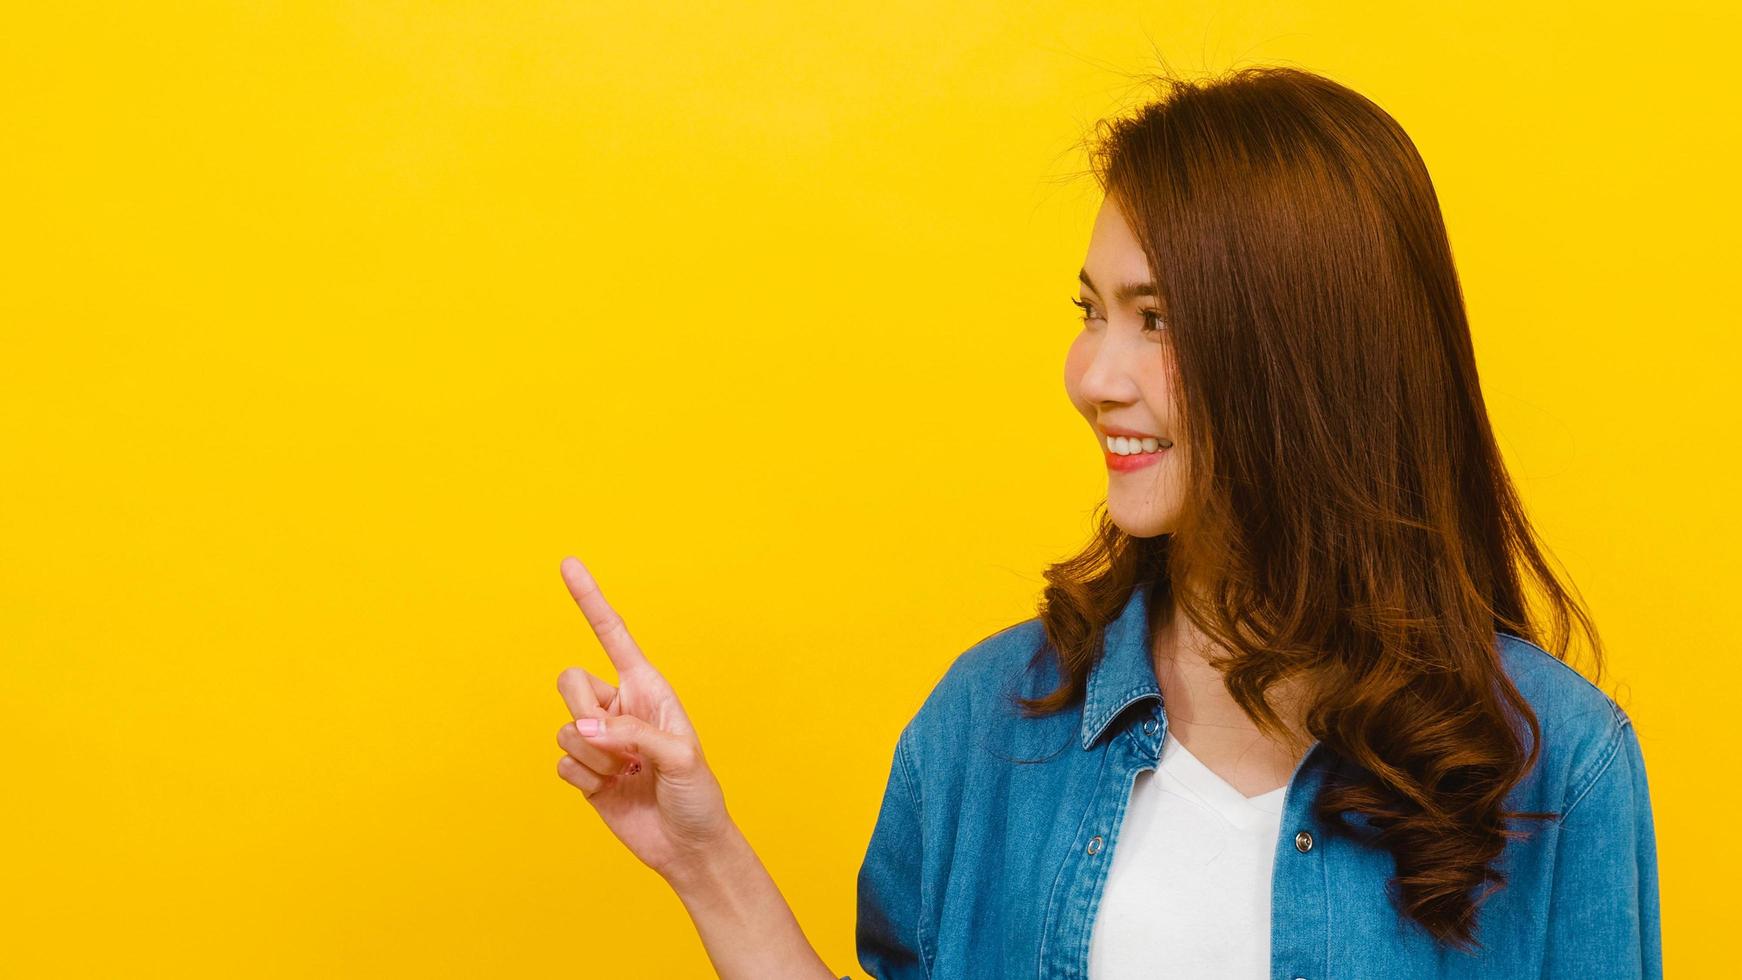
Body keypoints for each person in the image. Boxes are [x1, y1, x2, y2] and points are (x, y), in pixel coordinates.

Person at [552, 64, 1662, 979]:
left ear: (1307, 354)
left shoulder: (1555, 770)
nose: (1091, 376)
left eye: (1156, 319)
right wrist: (702, 853)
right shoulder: (989, 723)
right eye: (1090, 312)